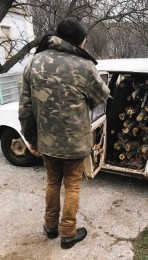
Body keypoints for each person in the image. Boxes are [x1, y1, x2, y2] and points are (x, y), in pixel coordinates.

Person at [18, 17, 110, 249]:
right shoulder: (85, 66)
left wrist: (31, 139)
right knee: (72, 185)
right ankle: (68, 233)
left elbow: (25, 109)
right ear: (78, 41)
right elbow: (101, 97)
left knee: (52, 183)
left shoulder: (34, 62)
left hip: (46, 142)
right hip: (75, 143)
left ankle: (50, 227)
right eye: (84, 42)